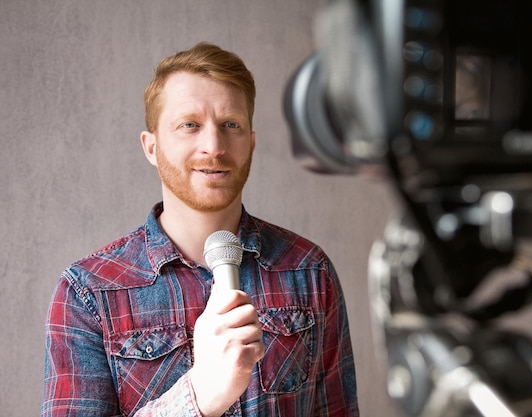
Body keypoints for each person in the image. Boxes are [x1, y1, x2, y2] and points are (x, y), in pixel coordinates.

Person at [42, 42, 359, 417]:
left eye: (231, 125)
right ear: (151, 147)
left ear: (251, 144)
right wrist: (201, 393)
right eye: (189, 125)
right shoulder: (87, 293)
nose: (214, 146)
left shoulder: (308, 269)